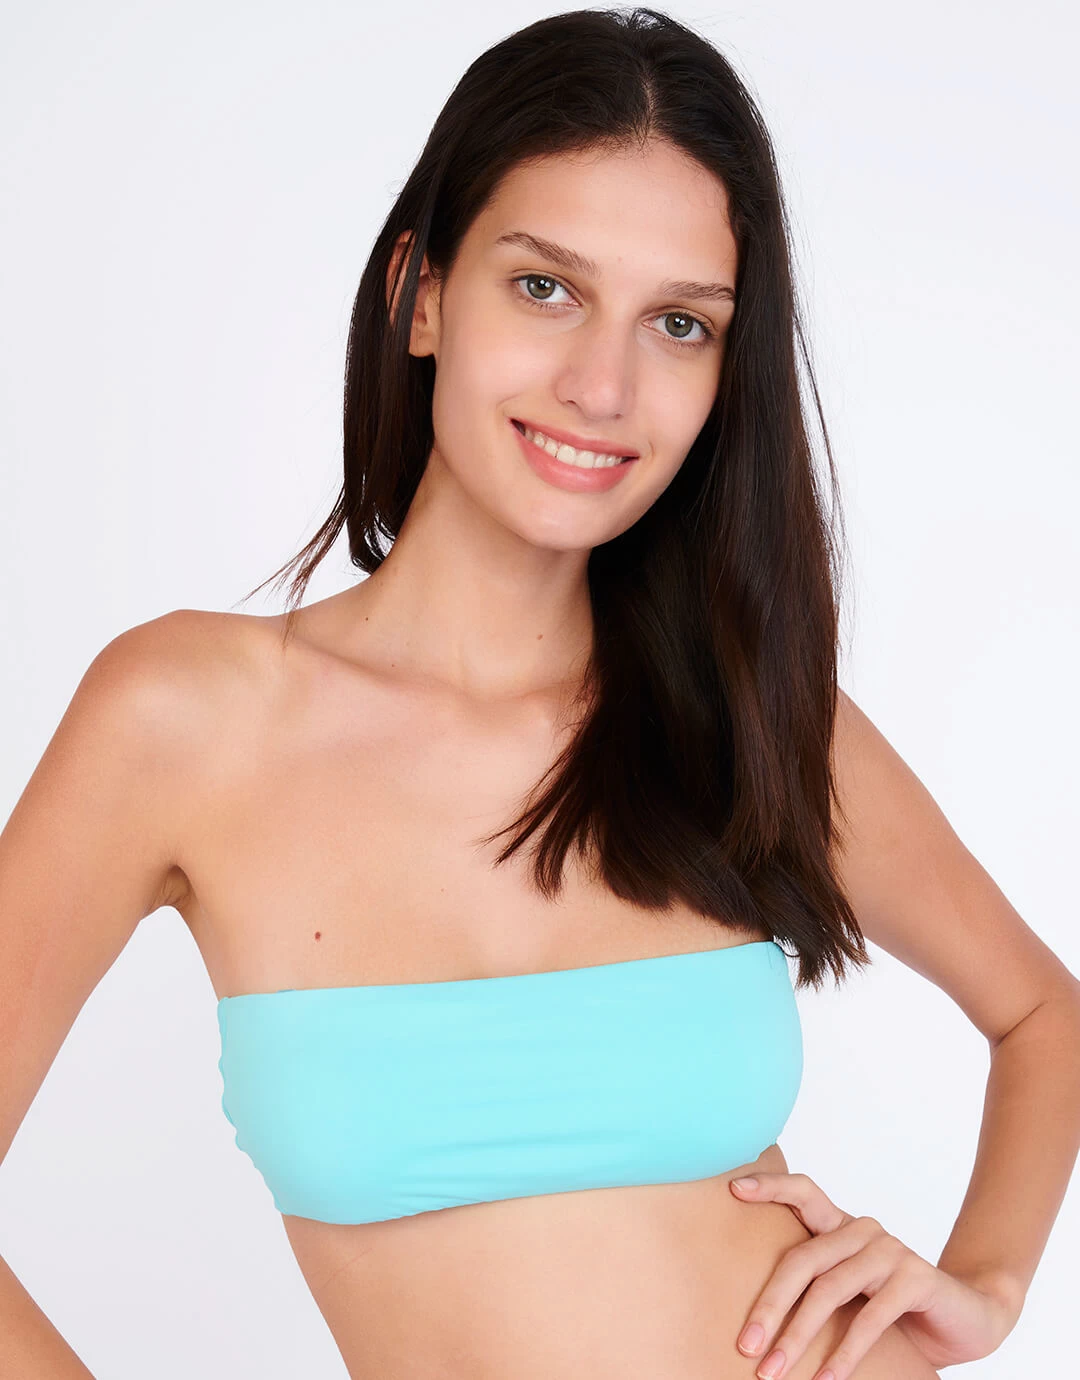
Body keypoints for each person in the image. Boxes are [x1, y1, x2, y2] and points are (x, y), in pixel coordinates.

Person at [2, 7, 1077, 1378]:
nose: (602, 386)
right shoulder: (185, 719)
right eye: (545, 287)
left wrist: (986, 1281)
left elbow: (1046, 1015)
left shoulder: (743, 715)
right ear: (422, 292)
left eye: (679, 324)